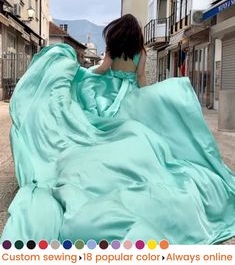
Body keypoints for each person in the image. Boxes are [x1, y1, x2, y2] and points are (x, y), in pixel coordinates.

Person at [1, 14, 235, 245]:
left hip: (107, 93)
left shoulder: (113, 50)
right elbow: (141, 79)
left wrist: (82, 74)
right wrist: (148, 99)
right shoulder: (140, 52)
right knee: (131, 131)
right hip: (129, 95)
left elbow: (102, 70)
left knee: (97, 127)